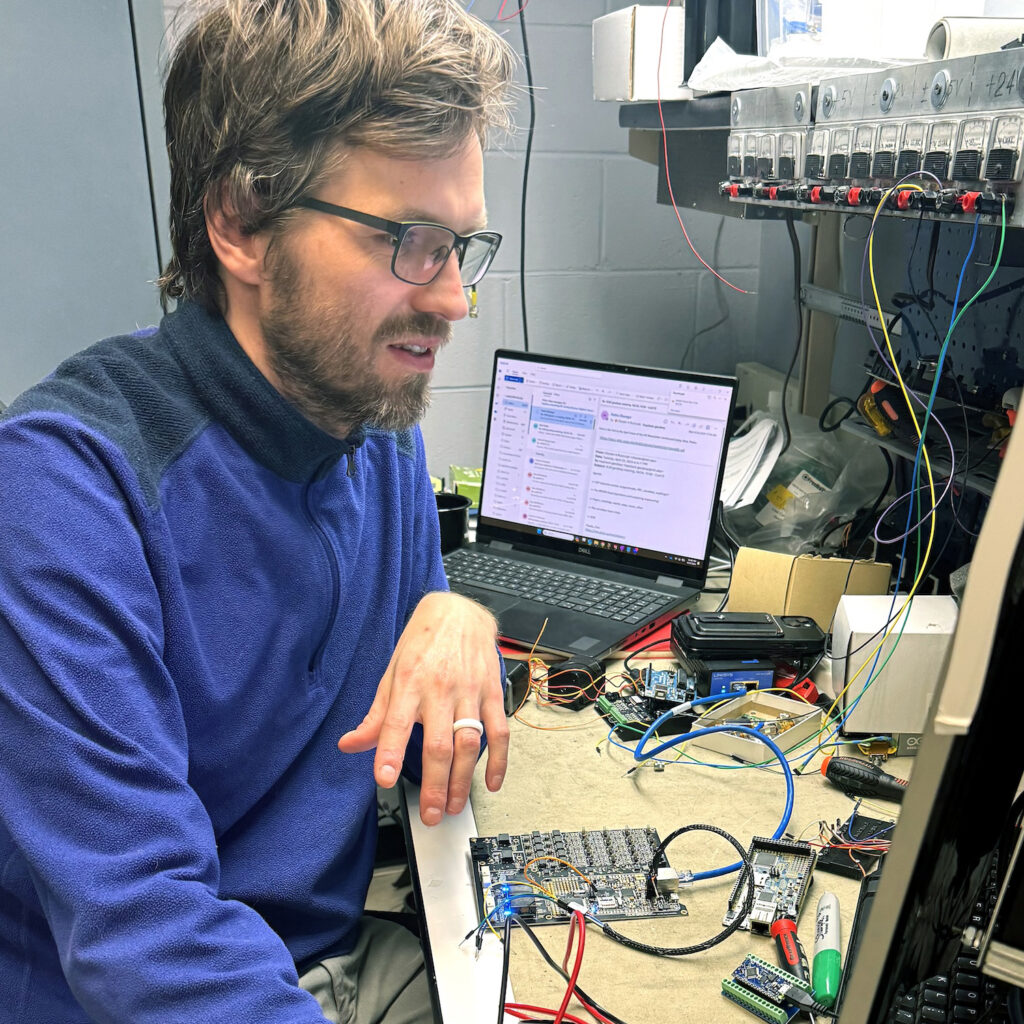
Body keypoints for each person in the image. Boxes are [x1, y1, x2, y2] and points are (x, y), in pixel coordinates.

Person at [0, 1, 516, 1021]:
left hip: (323, 960)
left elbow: (417, 719)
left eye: (461, 244)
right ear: (240, 222)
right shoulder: (64, 492)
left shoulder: (374, 433)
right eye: (409, 241)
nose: (454, 299)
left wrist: (463, 620)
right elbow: (143, 935)